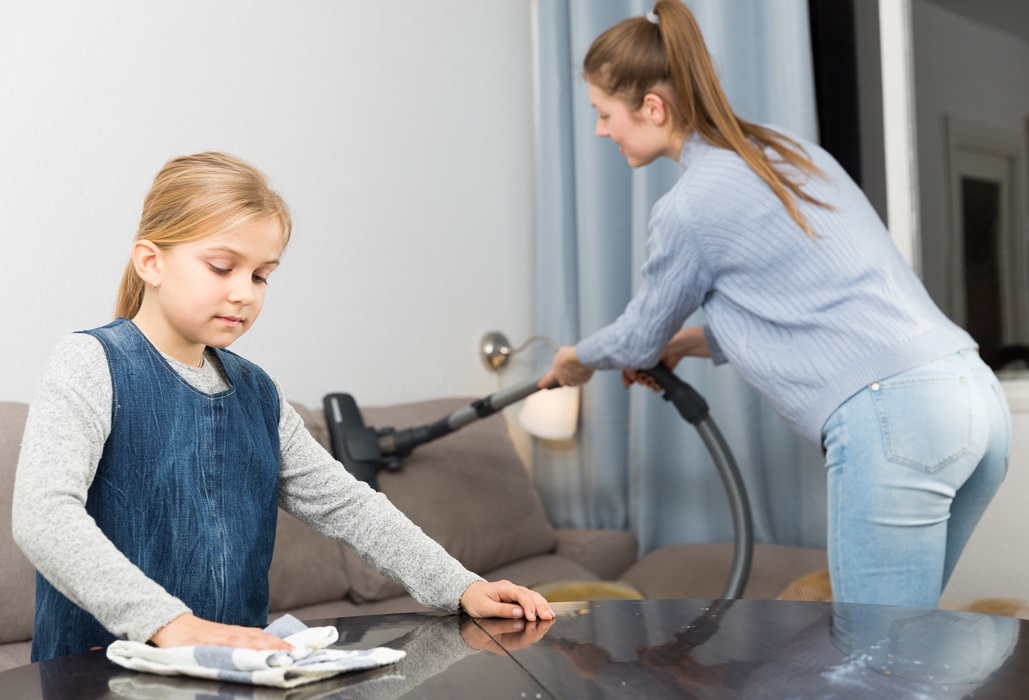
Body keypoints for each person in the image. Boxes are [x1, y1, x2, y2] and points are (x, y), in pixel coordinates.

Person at [539, 0, 1011, 608]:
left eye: (604, 115)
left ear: (652, 108)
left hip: (896, 416)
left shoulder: (689, 206)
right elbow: (803, 302)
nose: (602, 131)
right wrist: (687, 342)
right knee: (910, 651)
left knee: (877, 665)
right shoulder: (784, 151)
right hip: (973, 396)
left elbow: (634, 338)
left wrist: (578, 357)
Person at [12, 152, 553, 663]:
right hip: (100, 676)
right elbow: (43, 516)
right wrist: (168, 623)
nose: (245, 293)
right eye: (222, 267)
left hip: (234, 676)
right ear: (151, 262)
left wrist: (463, 585)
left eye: (261, 275)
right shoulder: (90, 363)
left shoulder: (259, 394)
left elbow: (349, 506)